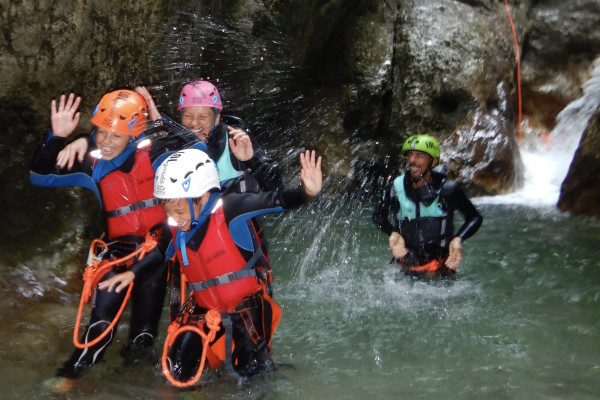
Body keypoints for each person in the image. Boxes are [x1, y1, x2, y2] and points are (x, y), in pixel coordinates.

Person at [29, 90, 172, 378]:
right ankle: (68, 379)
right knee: (99, 329)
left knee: (143, 338)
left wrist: (160, 119)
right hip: (117, 253)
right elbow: (39, 176)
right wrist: (57, 138)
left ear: (133, 136)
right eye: (101, 132)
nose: (105, 141)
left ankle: (127, 384)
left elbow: (196, 149)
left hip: (156, 256)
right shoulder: (92, 161)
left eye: (116, 135)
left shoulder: (159, 156)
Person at [153, 148, 322, 385]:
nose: (173, 218)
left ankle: (265, 369)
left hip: (246, 309)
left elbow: (276, 201)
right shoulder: (177, 223)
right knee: (175, 372)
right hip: (205, 312)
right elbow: (156, 256)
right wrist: (130, 273)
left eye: (179, 211)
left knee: (250, 377)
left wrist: (307, 193)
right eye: (167, 211)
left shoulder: (231, 208)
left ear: (202, 197)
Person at [137, 80, 284, 193]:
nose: (194, 123)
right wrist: (160, 123)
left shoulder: (235, 140)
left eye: (203, 116)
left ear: (217, 118)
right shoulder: (177, 145)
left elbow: (276, 187)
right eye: (188, 116)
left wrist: (252, 161)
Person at [373, 134, 482, 277]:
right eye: (410, 155)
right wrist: (393, 232)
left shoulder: (448, 189)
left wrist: (458, 239)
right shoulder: (396, 186)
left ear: (433, 162)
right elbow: (378, 216)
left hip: (439, 265)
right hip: (405, 263)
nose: (413, 160)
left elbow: (474, 217)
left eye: (420, 156)